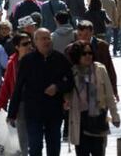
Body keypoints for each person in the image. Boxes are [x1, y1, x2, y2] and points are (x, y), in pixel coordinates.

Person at [8, 28, 73, 156]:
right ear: (35, 41)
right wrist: (12, 113)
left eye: (48, 38)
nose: (46, 41)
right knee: (35, 146)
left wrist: (57, 87)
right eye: (43, 39)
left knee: (54, 146)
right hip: (33, 111)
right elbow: (18, 87)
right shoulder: (27, 60)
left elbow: (70, 82)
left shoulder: (60, 58)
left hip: (54, 110)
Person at [66, 41, 120, 156]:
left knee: (98, 152)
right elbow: (67, 94)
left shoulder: (100, 69)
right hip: (79, 120)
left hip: (97, 119)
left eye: (90, 53)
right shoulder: (72, 72)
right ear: (77, 55)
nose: (88, 56)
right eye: (84, 53)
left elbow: (109, 94)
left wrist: (115, 116)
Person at [0, 32, 33, 155]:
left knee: (35, 136)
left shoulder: (37, 59)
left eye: (30, 43)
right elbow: (6, 84)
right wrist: (1, 104)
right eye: (25, 44)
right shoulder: (12, 62)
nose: (29, 46)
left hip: (36, 103)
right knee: (22, 137)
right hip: (20, 103)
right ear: (17, 47)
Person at [73, 20, 119, 101]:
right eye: (80, 35)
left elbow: (109, 68)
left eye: (86, 34)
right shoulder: (73, 47)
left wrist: (114, 90)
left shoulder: (102, 46)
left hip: (99, 87)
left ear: (92, 32)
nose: (83, 38)